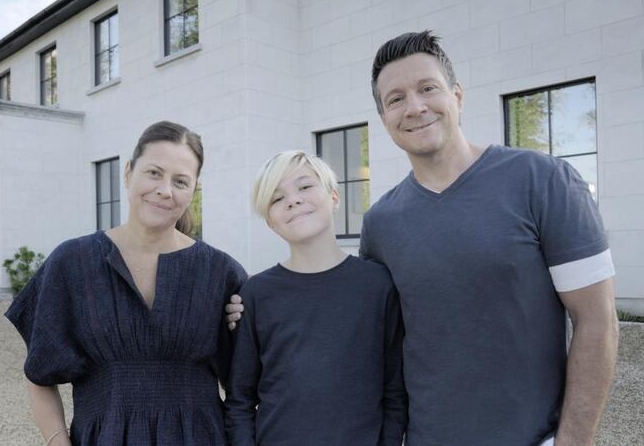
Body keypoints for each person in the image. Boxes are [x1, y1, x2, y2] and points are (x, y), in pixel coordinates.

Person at [227, 30, 619, 446]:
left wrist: (573, 441)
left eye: (427, 88)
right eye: (396, 99)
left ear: (457, 95)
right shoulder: (380, 223)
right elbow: (359, 319)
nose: (414, 107)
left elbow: (598, 321)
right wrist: (248, 306)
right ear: (384, 119)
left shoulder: (543, 180)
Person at [5, 121, 247, 446]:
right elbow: (38, 374)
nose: (165, 189)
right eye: (154, 173)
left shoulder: (222, 273)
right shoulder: (72, 262)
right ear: (128, 172)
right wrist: (58, 442)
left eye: (180, 181)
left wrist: (255, 313)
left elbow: (247, 389)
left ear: (193, 190)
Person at [224, 150, 406, 446]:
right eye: (276, 198)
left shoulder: (378, 286)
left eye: (305, 186)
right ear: (270, 221)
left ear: (334, 197)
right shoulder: (256, 294)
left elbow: (394, 391)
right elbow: (240, 400)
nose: (293, 200)